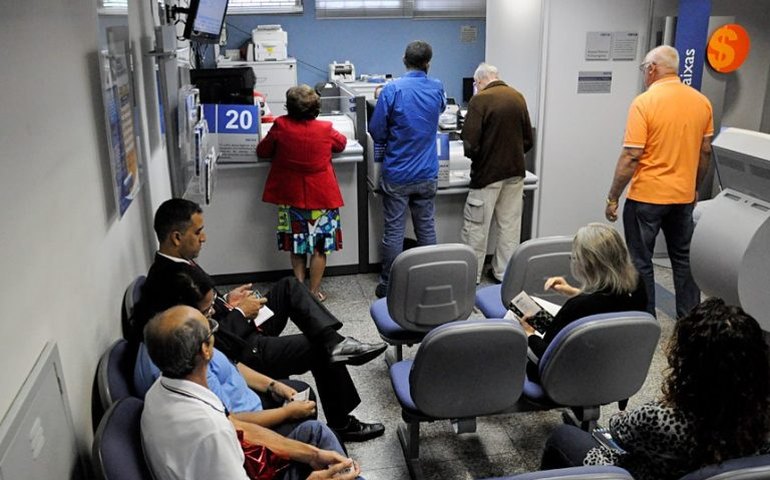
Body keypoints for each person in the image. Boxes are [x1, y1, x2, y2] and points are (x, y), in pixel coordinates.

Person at [131, 198, 386, 441]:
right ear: (177, 237)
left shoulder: (179, 264)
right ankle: (342, 422)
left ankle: (335, 342)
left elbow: (207, 309)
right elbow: (210, 343)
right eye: (198, 232)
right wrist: (241, 314)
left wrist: (227, 301)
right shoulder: (168, 284)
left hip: (234, 325)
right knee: (316, 348)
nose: (204, 238)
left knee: (288, 287)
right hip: (240, 347)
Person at [539, 298, 770, 480]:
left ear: (690, 362)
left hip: (637, 475)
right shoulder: (762, 414)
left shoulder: (662, 417)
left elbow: (618, 429)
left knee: (564, 436)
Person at [140, 305, 363, 480]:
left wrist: (311, 454)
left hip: (243, 463)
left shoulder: (158, 391)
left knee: (315, 433)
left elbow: (238, 426)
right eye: (211, 329)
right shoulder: (211, 431)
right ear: (205, 350)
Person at [134, 268, 318, 436]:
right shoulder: (189, 363)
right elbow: (231, 422)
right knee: (315, 430)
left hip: (248, 400)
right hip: (249, 426)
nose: (213, 312)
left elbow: (232, 365)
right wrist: (286, 414)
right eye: (207, 311)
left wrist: (272, 385)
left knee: (303, 392)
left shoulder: (187, 336)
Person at [604, 45, 713, 318]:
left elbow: (631, 155)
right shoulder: (702, 102)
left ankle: (645, 319)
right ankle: (691, 323)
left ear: (652, 69)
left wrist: (613, 196)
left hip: (647, 198)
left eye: (644, 68)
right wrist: (695, 186)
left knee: (640, 262)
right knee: (684, 261)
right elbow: (705, 152)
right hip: (683, 198)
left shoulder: (644, 102)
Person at [517, 223, 646, 382]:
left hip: (564, 377)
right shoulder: (637, 286)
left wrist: (529, 333)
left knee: (515, 324)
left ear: (588, 264)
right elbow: (608, 303)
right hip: (613, 369)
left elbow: (546, 356)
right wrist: (572, 291)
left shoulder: (578, 307)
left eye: (575, 257)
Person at [369, 40, 447, 298]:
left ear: (404, 60)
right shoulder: (437, 88)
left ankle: (388, 284)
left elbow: (376, 130)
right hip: (426, 171)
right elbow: (441, 111)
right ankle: (430, 279)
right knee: (426, 228)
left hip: (398, 173)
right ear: (429, 62)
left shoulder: (392, 90)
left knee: (394, 230)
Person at [258, 85, 348, 302]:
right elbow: (342, 144)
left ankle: (298, 293)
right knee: (319, 247)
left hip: (291, 198)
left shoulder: (281, 125)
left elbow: (263, 151)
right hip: (323, 199)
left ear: (289, 107)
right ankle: (314, 292)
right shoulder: (325, 128)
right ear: (316, 108)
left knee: (297, 245)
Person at [460, 63, 533, 283]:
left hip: (487, 175)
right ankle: (503, 274)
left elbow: (469, 142)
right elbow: (528, 139)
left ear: (480, 81)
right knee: (510, 227)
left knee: (476, 227)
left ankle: (471, 276)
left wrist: (479, 157)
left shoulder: (480, 100)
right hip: (515, 173)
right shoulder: (517, 97)